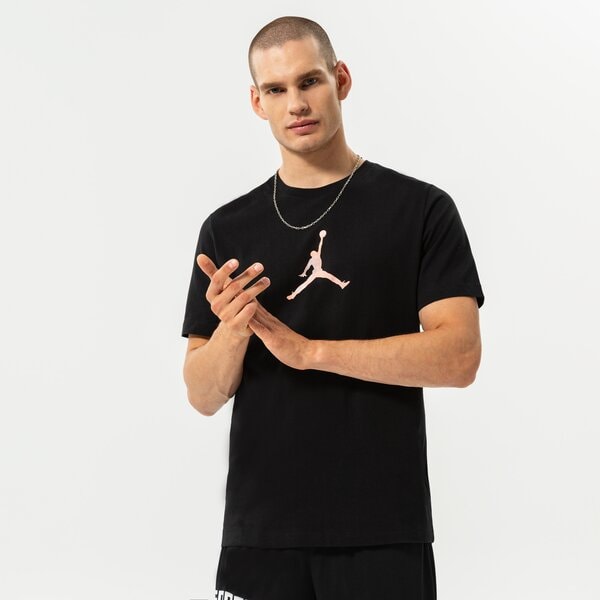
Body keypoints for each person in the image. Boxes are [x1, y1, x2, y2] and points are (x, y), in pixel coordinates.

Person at [181, 15, 484, 600]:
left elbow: (460, 356)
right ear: (257, 102)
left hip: (381, 529)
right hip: (259, 534)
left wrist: (310, 352)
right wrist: (235, 329)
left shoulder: (420, 209)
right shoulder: (226, 229)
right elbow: (202, 394)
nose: (295, 103)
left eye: (309, 81)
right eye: (275, 89)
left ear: (341, 79)